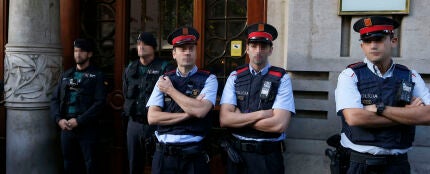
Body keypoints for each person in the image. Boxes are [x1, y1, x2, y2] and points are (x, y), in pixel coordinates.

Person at [335, 16, 430, 174]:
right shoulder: (350, 75)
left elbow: (427, 115)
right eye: (367, 41)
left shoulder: (410, 76)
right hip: (360, 163)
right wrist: (409, 115)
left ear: (393, 41)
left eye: (379, 39)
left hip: (397, 165)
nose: (373, 46)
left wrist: (380, 109)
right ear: (362, 45)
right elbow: (354, 118)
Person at [219, 23, 295, 174]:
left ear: (270, 50)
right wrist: (260, 114)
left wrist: (240, 118)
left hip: (268, 157)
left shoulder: (282, 78)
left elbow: (279, 124)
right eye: (254, 46)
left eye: (263, 46)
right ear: (247, 49)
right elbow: (225, 120)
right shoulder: (235, 76)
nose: (258, 51)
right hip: (237, 156)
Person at [146, 27, 218, 174]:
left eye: (191, 48)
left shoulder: (209, 79)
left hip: (193, 156)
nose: (187, 52)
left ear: (196, 52)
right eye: (182, 49)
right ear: (174, 54)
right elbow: (152, 117)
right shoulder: (164, 79)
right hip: (164, 156)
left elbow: (200, 111)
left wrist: (170, 91)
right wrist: (188, 113)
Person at [51, 38, 106, 174]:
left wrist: (79, 121)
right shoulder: (66, 75)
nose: (78, 54)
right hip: (66, 127)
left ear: (89, 54)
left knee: (91, 164)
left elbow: (99, 103)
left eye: (81, 51)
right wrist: (59, 119)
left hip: (87, 128)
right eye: (76, 51)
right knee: (69, 164)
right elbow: (54, 100)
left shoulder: (97, 75)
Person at [123, 32, 170, 174]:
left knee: (158, 165)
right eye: (138, 44)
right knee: (134, 165)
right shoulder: (130, 68)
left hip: (155, 125)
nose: (141, 47)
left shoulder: (164, 67)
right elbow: (125, 93)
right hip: (134, 124)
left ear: (153, 48)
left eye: (145, 44)